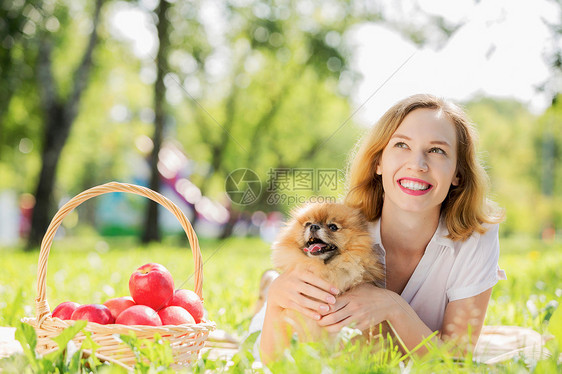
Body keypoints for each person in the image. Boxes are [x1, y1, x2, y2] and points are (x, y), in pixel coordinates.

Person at [251, 93, 505, 364]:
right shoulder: (345, 228)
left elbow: (454, 364)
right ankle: (267, 289)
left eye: (436, 150)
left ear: (458, 173)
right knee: (271, 301)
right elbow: (272, 361)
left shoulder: (476, 236)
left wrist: (393, 307)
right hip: (310, 333)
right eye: (401, 145)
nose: (417, 164)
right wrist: (277, 298)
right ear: (378, 162)